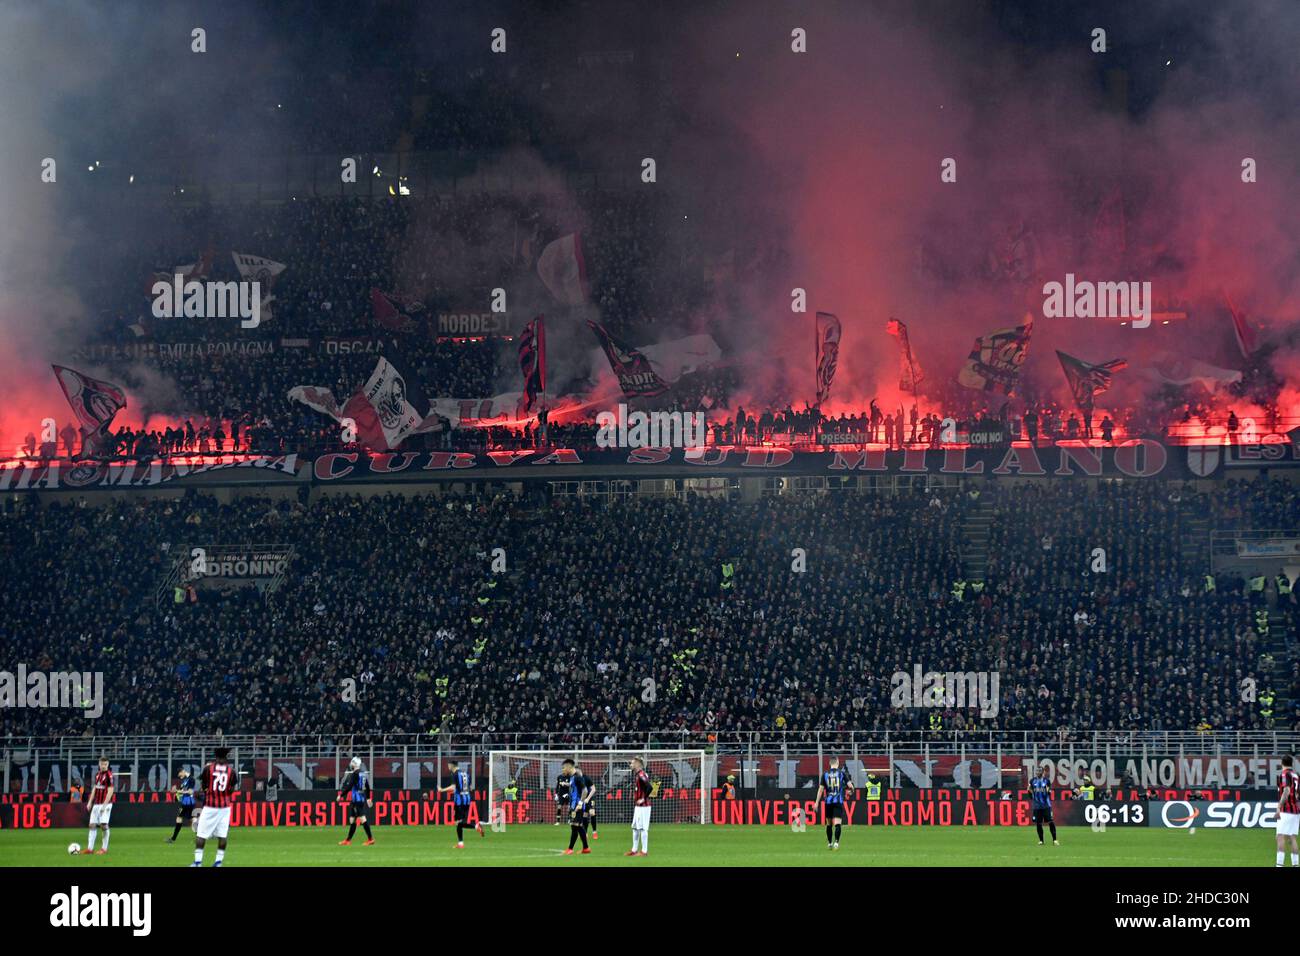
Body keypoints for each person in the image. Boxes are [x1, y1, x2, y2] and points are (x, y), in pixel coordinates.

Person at [193, 747, 239, 867]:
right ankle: (218, 862)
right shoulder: (231, 771)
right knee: (222, 835)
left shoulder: (209, 769)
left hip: (210, 806)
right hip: (224, 807)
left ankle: (198, 862)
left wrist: (206, 791)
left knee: (201, 834)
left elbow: (203, 786)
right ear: (226, 756)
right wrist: (224, 795)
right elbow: (232, 789)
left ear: (216, 756)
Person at [438, 759, 483, 848]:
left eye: (448, 765)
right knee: (460, 822)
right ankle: (461, 843)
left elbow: (453, 787)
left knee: (458, 823)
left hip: (459, 801)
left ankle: (476, 826)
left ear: (451, 765)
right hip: (467, 800)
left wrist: (442, 790)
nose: (448, 767)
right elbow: (469, 788)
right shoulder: (466, 774)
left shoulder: (455, 774)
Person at [817, 756, 853, 850]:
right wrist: (851, 791)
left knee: (829, 824)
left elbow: (820, 790)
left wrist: (816, 803)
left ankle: (829, 843)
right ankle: (836, 842)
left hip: (828, 802)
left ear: (830, 763)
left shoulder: (824, 774)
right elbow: (850, 786)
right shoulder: (842, 773)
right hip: (838, 801)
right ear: (837, 762)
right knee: (838, 823)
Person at [338, 756, 375, 846]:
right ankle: (348, 840)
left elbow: (349, 786)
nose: (351, 764)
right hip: (360, 799)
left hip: (357, 799)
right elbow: (367, 787)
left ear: (355, 764)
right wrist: (368, 798)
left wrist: (341, 795)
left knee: (362, 819)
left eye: (352, 762)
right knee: (352, 819)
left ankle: (370, 839)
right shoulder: (363, 774)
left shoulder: (355, 774)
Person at [561, 758, 595, 855]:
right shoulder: (572, 778)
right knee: (577, 826)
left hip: (578, 806)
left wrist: (580, 803)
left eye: (564, 768)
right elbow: (574, 792)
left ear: (568, 767)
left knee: (575, 826)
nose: (563, 770)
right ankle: (586, 848)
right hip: (573, 806)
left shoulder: (577, 777)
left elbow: (585, 790)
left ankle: (570, 849)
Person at [85, 756, 115, 856]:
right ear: (99, 764)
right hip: (96, 803)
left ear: (108, 764)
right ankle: (90, 849)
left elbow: (110, 791)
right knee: (92, 825)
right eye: (102, 764)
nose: (103, 766)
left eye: (105, 764)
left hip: (105, 804)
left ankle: (104, 849)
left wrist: (104, 805)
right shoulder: (97, 774)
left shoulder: (109, 775)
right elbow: (95, 788)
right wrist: (90, 802)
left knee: (103, 825)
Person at [625, 756, 653, 857]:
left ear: (637, 763)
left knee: (643, 828)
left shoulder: (641, 774)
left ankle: (644, 851)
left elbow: (650, 787)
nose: (631, 764)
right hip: (638, 806)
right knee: (635, 828)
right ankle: (634, 850)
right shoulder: (637, 775)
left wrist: (643, 798)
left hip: (644, 806)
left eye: (632, 763)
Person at [1276, 754, 1299, 868]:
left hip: (1286, 809)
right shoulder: (1296, 775)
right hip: (1295, 810)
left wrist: (1279, 806)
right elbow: (1297, 794)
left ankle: (1279, 865)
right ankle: (1295, 864)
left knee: (1280, 836)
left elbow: (1286, 790)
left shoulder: (1285, 774)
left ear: (1282, 763)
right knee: (1292, 837)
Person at [1030, 766, 1058, 846]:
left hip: (1046, 806)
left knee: (1051, 822)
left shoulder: (1047, 781)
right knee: (1038, 823)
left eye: (1039, 771)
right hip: (1037, 806)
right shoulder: (1032, 781)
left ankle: (1055, 840)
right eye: (1037, 770)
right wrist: (1031, 794)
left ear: (1043, 772)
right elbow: (1030, 792)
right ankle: (1041, 841)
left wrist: (1047, 791)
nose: (1037, 772)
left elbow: (1049, 793)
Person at [167, 767, 197, 843]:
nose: (179, 776)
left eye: (179, 774)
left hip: (188, 802)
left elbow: (190, 792)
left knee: (180, 818)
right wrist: (175, 792)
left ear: (183, 771)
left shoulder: (191, 779)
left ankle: (173, 839)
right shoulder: (185, 780)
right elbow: (182, 791)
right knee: (192, 819)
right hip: (186, 802)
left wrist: (177, 791)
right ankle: (200, 837)